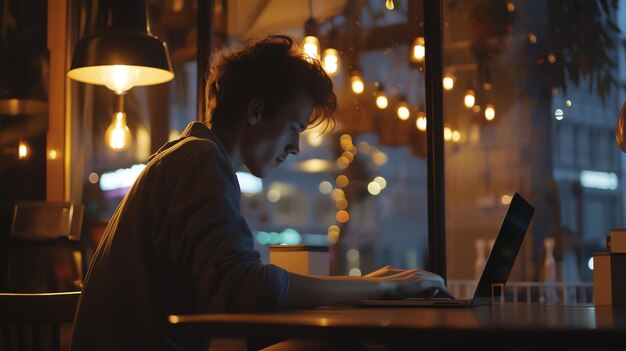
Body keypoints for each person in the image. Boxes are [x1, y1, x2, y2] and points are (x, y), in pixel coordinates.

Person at [70, 35, 451, 351]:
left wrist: (372, 284)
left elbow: (237, 285)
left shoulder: (190, 157)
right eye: (292, 128)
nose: (296, 147)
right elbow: (248, 289)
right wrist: (381, 287)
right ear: (254, 110)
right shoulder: (200, 162)